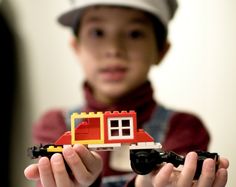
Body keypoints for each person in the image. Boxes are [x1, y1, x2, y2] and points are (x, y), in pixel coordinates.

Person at [24, 0, 229, 186]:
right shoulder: (54, 125)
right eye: (97, 32)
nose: (114, 49)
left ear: (161, 50)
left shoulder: (185, 127)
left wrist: (148, 182)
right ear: (76, 47)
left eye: (134, 33)